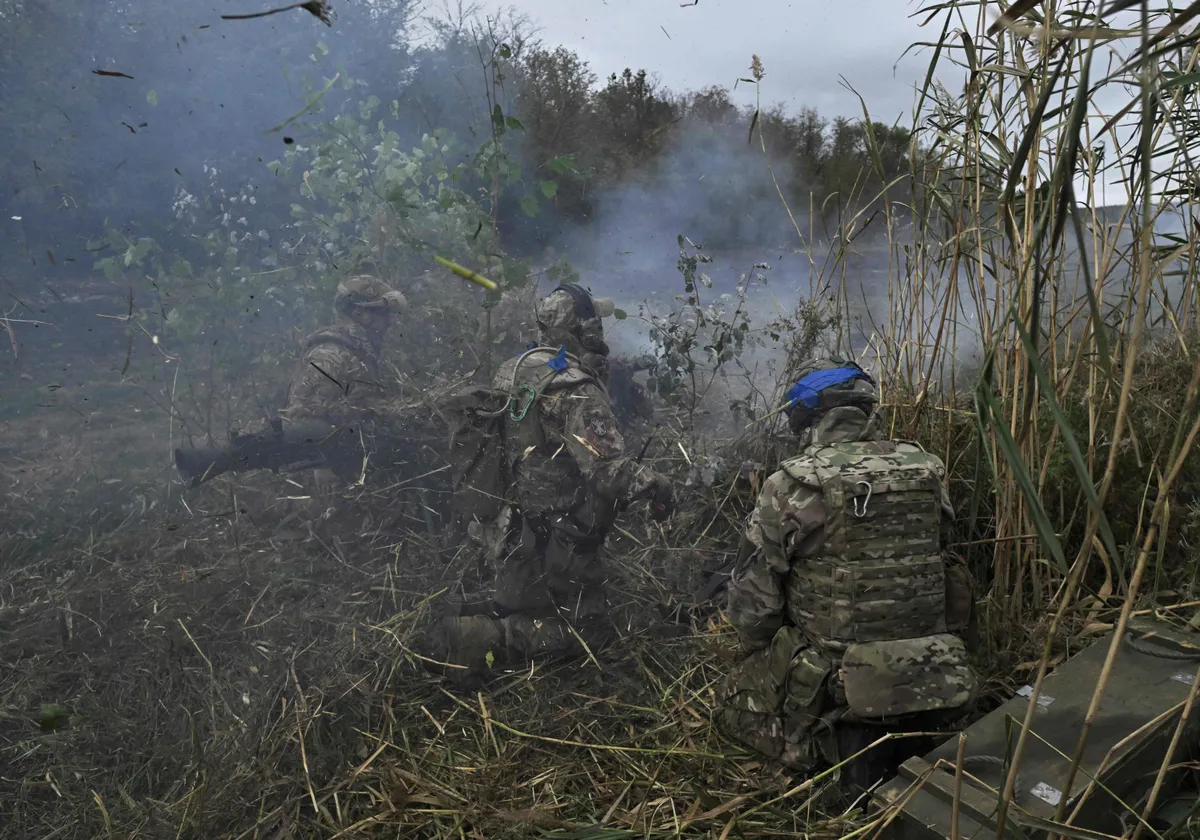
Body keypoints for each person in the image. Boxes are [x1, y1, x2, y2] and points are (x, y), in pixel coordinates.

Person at [715, 357, 977, 785]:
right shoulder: (927, 470)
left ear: (804, 416)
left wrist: (760, 645)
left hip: (836, 686)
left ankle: (816, 743)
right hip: (936, 677)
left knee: (729, 703)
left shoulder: (789, 486)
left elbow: (755, 611)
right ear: (867, 407)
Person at [427, 283, 676, 677]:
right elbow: (609, 472)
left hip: (512, 528)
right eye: (594, 323)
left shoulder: (517, 367)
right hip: (561, 536)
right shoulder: (577, 387)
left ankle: (486, 615)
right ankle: (480, 636)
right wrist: (658, 486)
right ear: (582, 328)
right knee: (590, 636)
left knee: (524, 602)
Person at [277, 274, 408, 520]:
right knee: (338, 518)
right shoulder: (331, 354)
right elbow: (299, 414)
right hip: (323, 463)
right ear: (360, 314)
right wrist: (322, 465)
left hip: (349, 451)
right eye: (382, 313)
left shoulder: (361, 347)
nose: (388, 321)